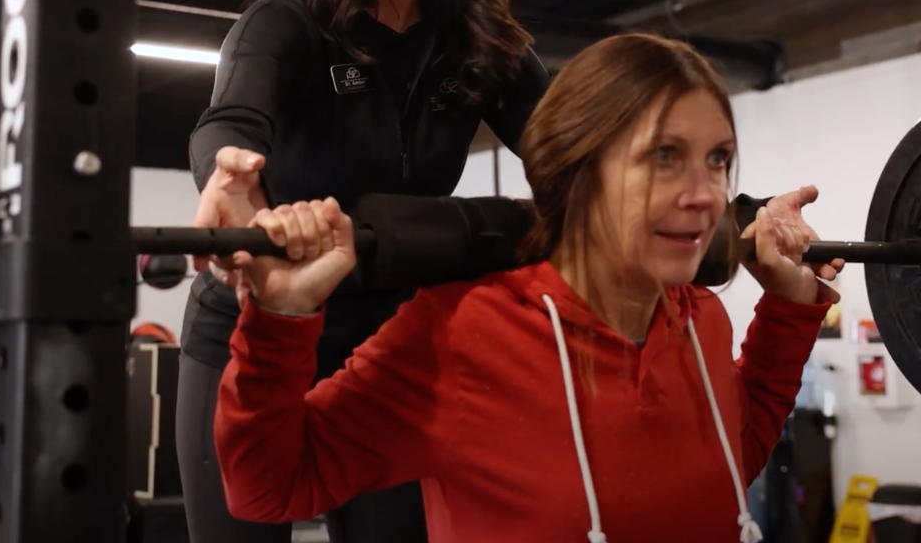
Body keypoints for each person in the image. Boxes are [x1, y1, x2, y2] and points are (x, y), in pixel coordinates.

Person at [212, 32, 843, 543]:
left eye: (716, 159)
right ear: (579, 172)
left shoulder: (700, 318)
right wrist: (279, 318)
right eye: (664, 157)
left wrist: (789, 312)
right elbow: (268, 487)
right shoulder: (464, 334)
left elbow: (732, 460)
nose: (705, 196)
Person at [177, 0, 543, 543]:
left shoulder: (477, 35)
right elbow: (233, 118)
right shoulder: (289, 15)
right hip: (255, 330)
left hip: (387, 343)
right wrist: (227, 173)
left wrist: (708, 208)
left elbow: (577, 150)